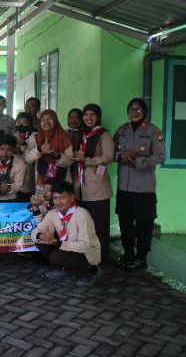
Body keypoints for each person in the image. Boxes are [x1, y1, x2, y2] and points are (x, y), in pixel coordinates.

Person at [114, 98, 165, 270]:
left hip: (144, 189)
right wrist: (121, 156)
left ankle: (141, 258)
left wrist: (138, 161)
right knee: (125, 223)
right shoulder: (122, 130)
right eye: (131, 109)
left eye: (138, 110)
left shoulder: (154, 131)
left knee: (144, 225)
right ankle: (128, 253)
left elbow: (160, 156)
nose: (134, 113)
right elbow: (111, 152)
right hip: (124, 188)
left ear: (144, 112)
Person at [31, 181, 103, 287]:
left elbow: (85, 245)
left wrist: (59, 243)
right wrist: (41, 236)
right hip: (68, 248)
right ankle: (63, 269)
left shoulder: (82, 214)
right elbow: (35, 232)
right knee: (40, 242)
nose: (58, 202)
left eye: (62, 198)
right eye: (55, 198)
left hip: (87, 253)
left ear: (72, 198)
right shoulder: (53, 213)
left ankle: (94, 271)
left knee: (56, 255)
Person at [72, 104, 114, 267]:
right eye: (86, 115)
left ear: (98, 117)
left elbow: (109, 157)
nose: (88, 118)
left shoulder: (103, 134)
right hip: (80, 187)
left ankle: (101, 260)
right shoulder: (81, 134)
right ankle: (86, 257)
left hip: (97, 188)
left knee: (99, 226)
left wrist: (87, 160)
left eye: (92, 115)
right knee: (84, 226)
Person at [23, 109, 73, 189]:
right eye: (43, 120)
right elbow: (27, 158)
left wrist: (58, 156)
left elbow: (70, 161)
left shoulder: (64, 137)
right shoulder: (34, 137)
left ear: (55, 121)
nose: (46, 122)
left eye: (50, 119)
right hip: (41, 184)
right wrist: (40, 149)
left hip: (62, 183)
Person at [14, 112, 36, 201]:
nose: (21, 125)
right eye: (18, 122)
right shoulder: (14, 136)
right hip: (15, 179)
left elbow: (28, 158)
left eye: (25, 122)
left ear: (30, 125)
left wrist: (22, 144)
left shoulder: (34, 137)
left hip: (29, 178)